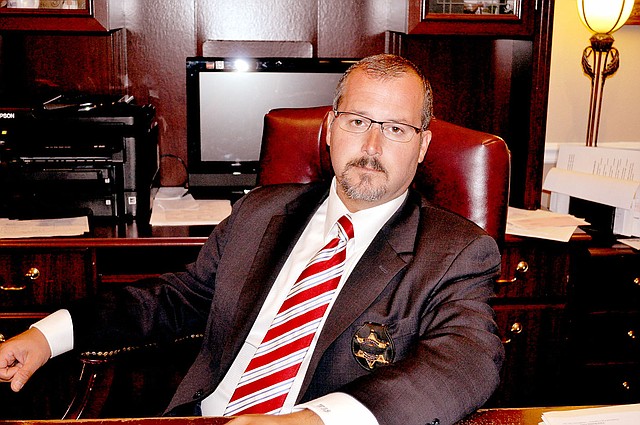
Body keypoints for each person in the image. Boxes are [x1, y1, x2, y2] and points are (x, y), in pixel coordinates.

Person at [0, 54, 504, 425]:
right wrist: (48, 336)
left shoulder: (455, 252)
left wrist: (319, 420)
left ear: (424, 145)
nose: (371, 146)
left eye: (395, 129)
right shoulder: (261, 212)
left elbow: (465, 359)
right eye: (357, 121)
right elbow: (176, 298)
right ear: (329, 129)